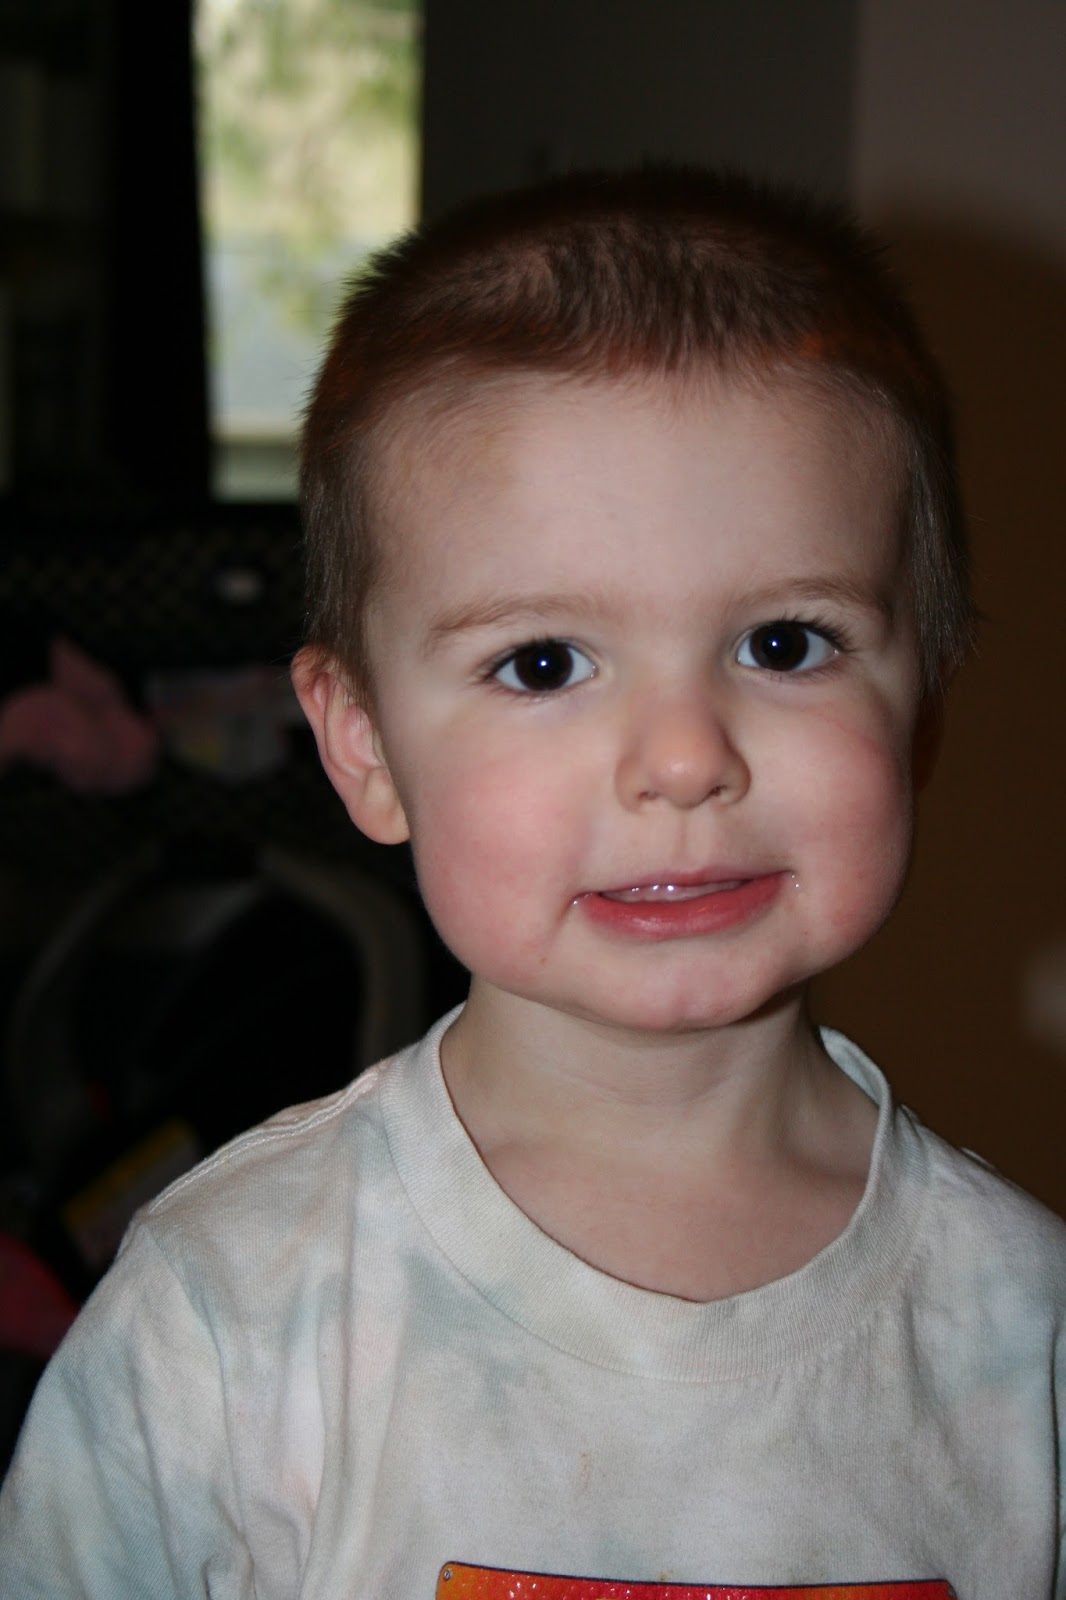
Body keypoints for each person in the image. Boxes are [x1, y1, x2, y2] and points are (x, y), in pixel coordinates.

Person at [1, 169, 1063, 1598]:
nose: (682, 759)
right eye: (544, 662)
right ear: (365, 747)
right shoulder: (231, 1308)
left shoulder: (1023, 1329)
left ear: (919, 713)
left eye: (785, 644)